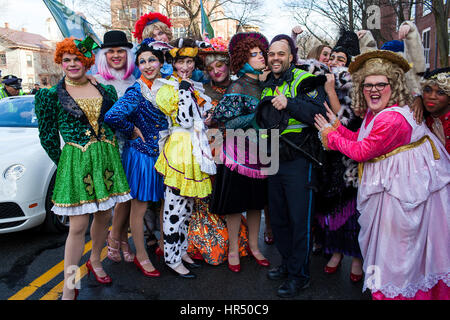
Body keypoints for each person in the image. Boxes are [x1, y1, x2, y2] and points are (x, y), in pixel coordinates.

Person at [315, 50, 450, 300]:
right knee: (395, 250)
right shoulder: (376, 112)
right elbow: (360, 138)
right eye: (368, 85)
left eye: (381, 84)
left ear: (394, 85)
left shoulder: (393, 119)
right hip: (395, 186)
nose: (373, 90)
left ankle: (398, 294)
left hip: (404, 193)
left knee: (399, 253)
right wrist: (336, 128)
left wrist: (330, 134)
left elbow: (362, 151)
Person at [34, 36, 132, 300]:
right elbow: (48, 138)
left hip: (106, 160)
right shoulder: (49, 96)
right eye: (66, 60)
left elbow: (112, 123)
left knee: (103, 216)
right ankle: (69, 284)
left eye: (78, 58)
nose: (72, 64)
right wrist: (67, 164)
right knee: (77, 226)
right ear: (60, 63)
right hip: (76, 163)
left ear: (87, 61)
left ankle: (96, 261)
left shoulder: (106, 91)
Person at [258, 34, 327, 298]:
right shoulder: (267, 83)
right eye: (272, 54)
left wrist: (290, 103)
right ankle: (288, 264)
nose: (275, 58)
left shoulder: (304, 79)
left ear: (291, 56)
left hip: (300, 158)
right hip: (273, 158)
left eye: (281, 54)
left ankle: (301, 275)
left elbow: (317, 113)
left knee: (300, 220)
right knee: (279, 218)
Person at [104, 38, 170, 277]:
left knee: (165, 203)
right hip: (141, 156)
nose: (148, 65)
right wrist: (131, 130)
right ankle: (141, 255)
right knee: (139, 207)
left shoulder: (168, 87)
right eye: (142, 61)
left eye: (152, 59)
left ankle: (166, 246)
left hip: (164, 154)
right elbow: (112, 116)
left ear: (161, 62)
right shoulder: (136, 90)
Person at [152, 37, 215, 278]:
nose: (185, 67)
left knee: (187, 209)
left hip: (194, 148)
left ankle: (182, 251)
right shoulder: (166, 88)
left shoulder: (191, 86)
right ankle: (171, 258)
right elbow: (186, 120)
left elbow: (200, 119)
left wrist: (205, 117)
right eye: (181, 62)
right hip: (179, 150)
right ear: (173, 63)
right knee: (174, 209)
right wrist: (184, 90)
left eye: (189, 62)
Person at [209, 32, 270, 273]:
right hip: (237, 153)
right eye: (254, 54)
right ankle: (233, 248)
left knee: (256, 203)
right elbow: (223, 124)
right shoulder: (237, 86)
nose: (261, 58)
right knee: (235, 205)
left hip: (265, 150)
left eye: (261, 53)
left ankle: (254, 247)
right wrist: (256, 115)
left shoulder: (267, 84)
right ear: (243, 59)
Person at [186, 37, 250, 265]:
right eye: (210, 68)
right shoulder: (200, 90)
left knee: (231, 199)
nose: (215, 71)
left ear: (228, 64)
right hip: (208, 154)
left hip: (235, 153)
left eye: (219, 65)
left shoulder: (240, 87)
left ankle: (235, 241)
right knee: (207, 197)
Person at [315, 30, 364, 282]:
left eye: (340, 58)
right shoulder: (322, 78)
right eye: (332, 57)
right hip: (329, 154)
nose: (334, 61)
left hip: (351, 156)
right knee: (330, 205)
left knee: (353, 209)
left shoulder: (358, 86)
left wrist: (332, 92)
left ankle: (356, 258)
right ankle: (335, 251)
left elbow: (348, 122)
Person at [93, 30, 137, 264]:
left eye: (121, 51)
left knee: (129, 196)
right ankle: (114, 240)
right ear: (104, 55)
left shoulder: (133, 81)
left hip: (132, 145)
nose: (116, 55)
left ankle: (119, 238)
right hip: (108, 146)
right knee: (116, 197)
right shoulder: (97, 81)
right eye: (111, 51)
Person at [421, 67, 450, 154]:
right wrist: (417, 99)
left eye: (440, 92)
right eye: (427, 90)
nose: (432, 96)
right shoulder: (424, 116)